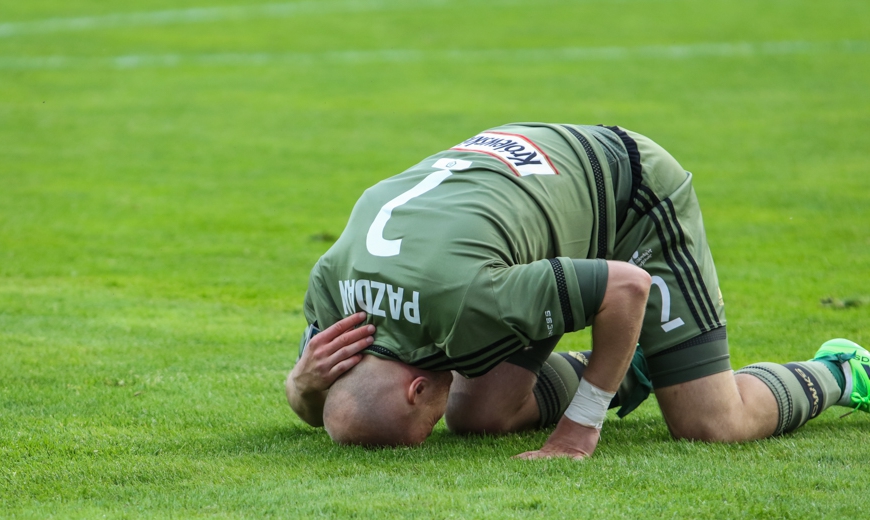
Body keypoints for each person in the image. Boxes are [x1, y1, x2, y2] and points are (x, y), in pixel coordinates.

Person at [284, 122, 869, 458]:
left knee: (711, 424)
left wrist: (580, 425)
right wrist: (301, 387)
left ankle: (843, 371)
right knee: (481, 414)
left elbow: (627, 286)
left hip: (626, 191)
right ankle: (637, 364)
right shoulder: (333, 293)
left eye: (424, 428)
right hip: (516, 189)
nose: (435, 429)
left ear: (416, 389)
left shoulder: (470, 303)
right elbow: (339, 401)